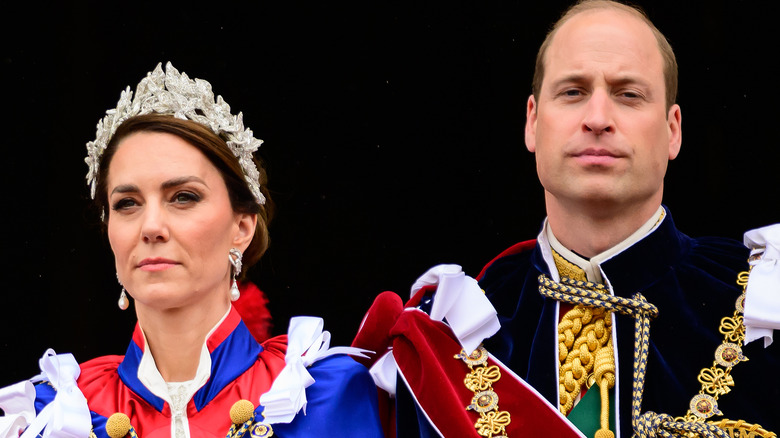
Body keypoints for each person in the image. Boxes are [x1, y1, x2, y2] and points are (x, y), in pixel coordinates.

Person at [351, 1, 780, 437]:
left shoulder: (768, 302)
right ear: (533, 122)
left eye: (628, 94)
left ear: (673, 130)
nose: (597, 119)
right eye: (573, 92)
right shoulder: (442, 334)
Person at [0, 62, 383, 438]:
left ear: (242, 228)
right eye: (127, 203)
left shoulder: (320, 395)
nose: (150, 227)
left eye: (183, 197)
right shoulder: (54, 416)